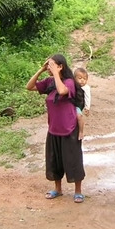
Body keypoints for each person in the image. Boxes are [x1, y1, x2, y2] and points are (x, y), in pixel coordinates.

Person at [26, 54, 86, 204]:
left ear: (61, 67)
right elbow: (29, 86)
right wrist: (41, 70)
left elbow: (62, 91)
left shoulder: (69, 82)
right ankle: (58, 189)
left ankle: (78, 192)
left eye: (52, 65)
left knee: (74, 160)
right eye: (49, 65)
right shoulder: (49, 82)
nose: (49, 67)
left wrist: (56, 74)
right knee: (55, 161)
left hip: (69, 128)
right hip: (53, 129)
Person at [74, 67, 91, 141]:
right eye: (80, 78)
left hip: (78, 106)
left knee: (79, 116)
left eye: (85, 79)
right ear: (74, 78)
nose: (82, 80)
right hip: (71, 104)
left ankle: (81, 132)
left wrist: (87, 108)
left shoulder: (86, 88)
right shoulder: (72, 85)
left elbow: (88, 97)